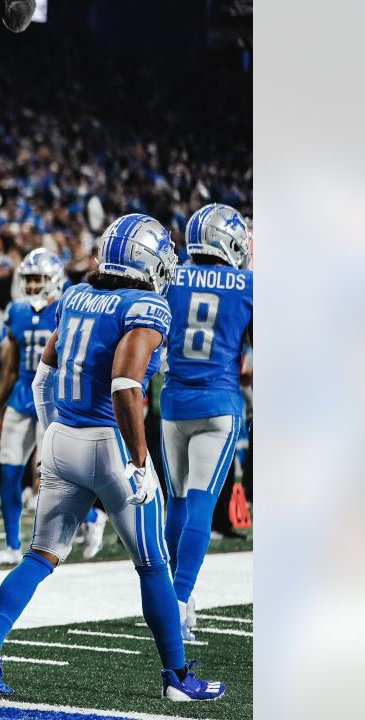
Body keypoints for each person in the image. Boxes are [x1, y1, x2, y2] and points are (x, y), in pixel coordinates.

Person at [0, 214, 226, 702]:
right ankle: (176, 678)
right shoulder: (146, 305)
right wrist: (140, 461)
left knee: (40, 556)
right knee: (152, 564)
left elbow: (43, 377)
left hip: (63, 436)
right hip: (110, 443)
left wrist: (50, 432)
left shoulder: (78, 296)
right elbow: (126, 385)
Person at [159, 204, 253, 641]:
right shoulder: (249, 284)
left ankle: (180, 601)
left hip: (174, 402)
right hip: (218, 402)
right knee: (200, 504)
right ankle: (179, 602)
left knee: (176, 501)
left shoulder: (170, 275)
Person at [0, 248, 71, 566]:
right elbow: (11, 362)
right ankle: (11, 544)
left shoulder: (66, 308)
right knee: (8, 472)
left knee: (57, 474)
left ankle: (86, 523)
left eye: (38, 279)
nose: (32, 285)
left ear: (54, 280)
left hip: (53, 399)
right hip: (22, 396)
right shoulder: (17, 311)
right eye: (29, 279)